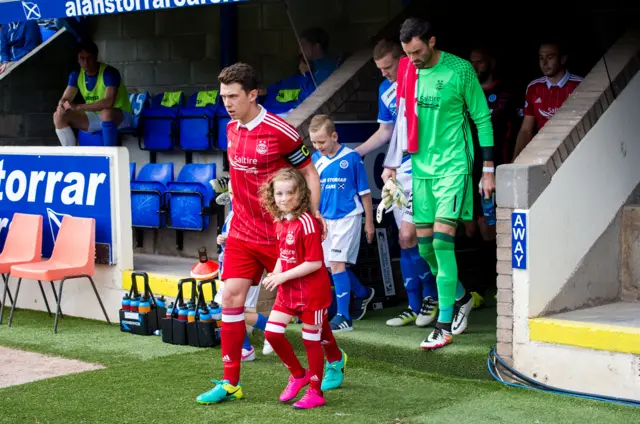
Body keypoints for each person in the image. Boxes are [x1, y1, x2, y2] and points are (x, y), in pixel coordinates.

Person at [196, 62, 346, 405]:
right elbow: (237, 180)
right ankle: (231, 381)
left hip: (281, 236)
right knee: (231, 298)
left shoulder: (281, 131)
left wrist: (312, 214)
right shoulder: (231, 129)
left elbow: (308, 172)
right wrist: (232, 218)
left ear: (252, 94)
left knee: (307, 308)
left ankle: (334, 359)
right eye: (223, 97)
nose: (227, 103)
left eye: (233, 96)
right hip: (242, 233)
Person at [392, 18, 495, 349]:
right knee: (424, 248)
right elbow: (403, 119)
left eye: (418, 51)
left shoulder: (460, 70)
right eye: (408, 53)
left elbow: (481, 117)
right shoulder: (407, 70)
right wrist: (392, 165)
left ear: (432, 41)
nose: (414, 59)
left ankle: (444, 325)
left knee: (441, 243)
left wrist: (489, 168)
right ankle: (462, 296)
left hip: (454, 166)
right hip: (421, 169)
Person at [355, 38, 439, 328]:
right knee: (404, 243)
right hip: (398, 170)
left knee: (412, 236)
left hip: (423, 167)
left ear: (402, 59)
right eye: (379, 69)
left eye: (388, 67)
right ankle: (414, 306)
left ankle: (433, 298)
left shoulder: (421, 79)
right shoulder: (384, 89)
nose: (384, 73)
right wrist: (356, 154)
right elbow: (385, 132)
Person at [259, 168, 336, 409]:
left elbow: (314, 263)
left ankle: (316, 391)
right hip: (289, 291)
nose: (283, 199)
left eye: (289, 193)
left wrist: (281, 277)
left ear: (301, 193)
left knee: (310, 340)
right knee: (271, 333)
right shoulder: (281, 221)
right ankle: (298, 374)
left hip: (312, 292)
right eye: (278, 193)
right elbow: (284, 255)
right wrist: (276, 271)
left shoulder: (308, 223)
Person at [310, 115, 376, 332]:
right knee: (330, 266)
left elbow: (365, 192)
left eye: (322, 142)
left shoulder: (352, 158)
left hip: (348, 216)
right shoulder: (315, 160)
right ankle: (363, 293)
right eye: (314, 143)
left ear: (334, 136)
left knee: (337, 264)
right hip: (325, 220)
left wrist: (369, 223)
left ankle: (343, 316)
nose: (318, 146)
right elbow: (314, 191)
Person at [467, 46, 521, 307]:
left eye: (480, 61)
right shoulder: (468, 94)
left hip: (499, 169)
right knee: (475, 229)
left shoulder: (508, 95)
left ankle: (502, 285)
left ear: (491, 61)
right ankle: (479, 288)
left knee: (495, 229)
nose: (475, 66)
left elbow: (521, 130)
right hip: (472, 170)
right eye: (472, 62)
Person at [214, 179, 272, 359]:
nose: (233, 198)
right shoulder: (232, 213)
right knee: (230, 309)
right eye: (231, 194)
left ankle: (272, 328)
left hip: (244, 270)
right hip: (228, 268)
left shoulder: (252, 215)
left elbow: (250, 243)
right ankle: (246, 348)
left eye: (236, 194)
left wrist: (229, 240)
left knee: (235, 310)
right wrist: (221, 239)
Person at [53, 39, 133, 147]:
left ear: (96, 57)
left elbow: (108, 103)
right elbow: (66, 97)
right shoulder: (76, 75)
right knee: (58, 116)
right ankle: (72, 156)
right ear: (78, 59)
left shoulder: (109, 73)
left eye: (89, 58)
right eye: (82, 58)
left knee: (106, 113)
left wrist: (77, 107)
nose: (86, 62)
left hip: (120, 118)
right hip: (95, 117)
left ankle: (110, 157)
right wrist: (62, 105)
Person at [512, 41, 582, 160]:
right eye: (541, 58)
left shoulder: (580, 85)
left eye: (550, 57)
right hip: (542, 154)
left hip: (573, 152)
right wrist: (515, 160)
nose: (544, 63)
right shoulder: (533, 87)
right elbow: (526, 129)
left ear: (563, 59)